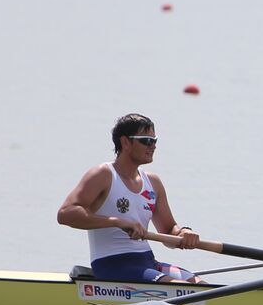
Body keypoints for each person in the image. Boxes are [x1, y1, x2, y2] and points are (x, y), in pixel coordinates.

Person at [57, 113, 203, 282]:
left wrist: (184, 233)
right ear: (125, 142)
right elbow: (65, 214)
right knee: (179, 287)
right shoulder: (103, 175)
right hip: (112, 264)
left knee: (200, 284)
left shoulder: (153, 182)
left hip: (148, 262)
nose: (153, 146)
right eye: (146, 140)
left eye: (154, 140)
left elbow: (169, 232)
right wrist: (117, 222)